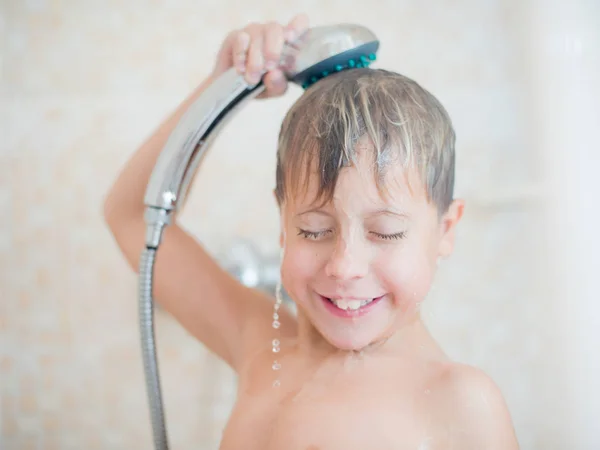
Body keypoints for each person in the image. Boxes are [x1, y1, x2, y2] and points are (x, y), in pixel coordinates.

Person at [103, 13, 519, 450]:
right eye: (314, 230)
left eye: (387, 232)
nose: (344, 266)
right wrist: (221, 90)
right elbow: (131, 215)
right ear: (284, 225)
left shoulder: (462, 404)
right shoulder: (262, 343)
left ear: (446, 229)